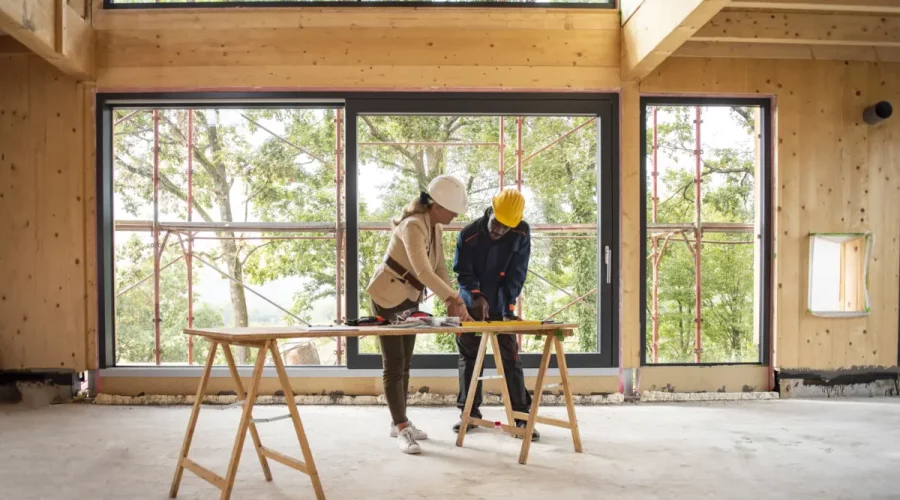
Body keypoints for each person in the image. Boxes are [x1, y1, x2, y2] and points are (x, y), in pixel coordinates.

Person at [366, 174, 473, 455]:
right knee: (394, 363)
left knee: (405, 364)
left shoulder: (434, 226)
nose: (455, 215)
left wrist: (454, 302)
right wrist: (454, 299)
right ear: (437, 206)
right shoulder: (413, 225)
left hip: (408, 299)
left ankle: (398, 421)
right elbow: (423, 271)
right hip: (387, 297)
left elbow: (438, 269)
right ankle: (401, 428)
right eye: (453, 210)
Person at [452, 188, 539, 441]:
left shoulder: (521, 232)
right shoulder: (468, 235)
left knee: (509, 357)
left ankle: (522, 417)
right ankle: (468, 413)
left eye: (506, 228)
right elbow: (463, 272)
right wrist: (477, 296)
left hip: (501, 300)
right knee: (469, 357)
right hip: (471, 300)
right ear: (490, 210)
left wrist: (508, 304)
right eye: (497, 224)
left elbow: (517, 271)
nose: (500, 231)